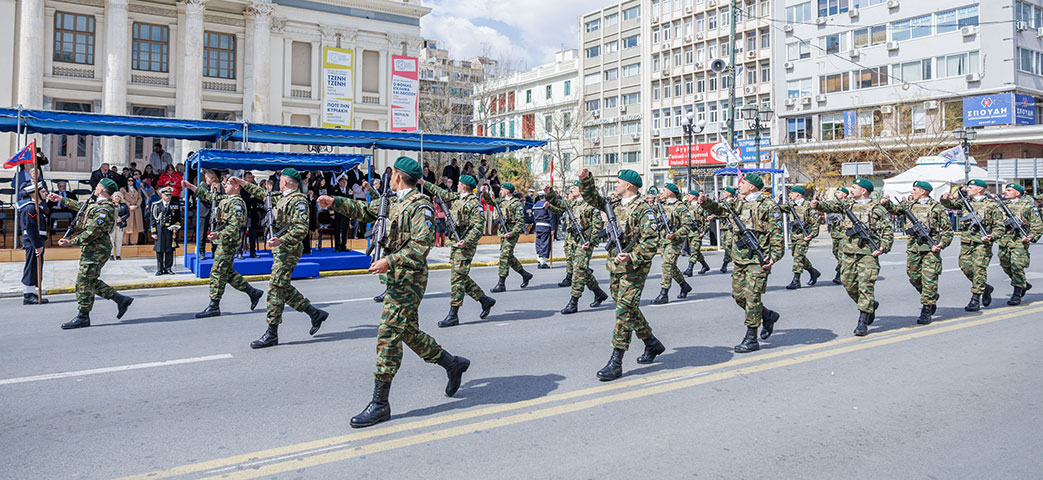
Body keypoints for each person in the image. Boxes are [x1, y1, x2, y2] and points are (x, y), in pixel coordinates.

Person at [317, 156, 471, 429]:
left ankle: (380, 403)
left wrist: (390, 260)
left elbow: (421, 246)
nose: (390, 178)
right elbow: (364, 210)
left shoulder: (420, 206)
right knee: (408, 332)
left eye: (392, 174)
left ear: (398, 176)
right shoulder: (392, 202)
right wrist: (334, 202)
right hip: (395, 278)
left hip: (409, 279)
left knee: (388, 334)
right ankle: (451, 364)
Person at [579, 168, 665, 381]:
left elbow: (651, 242)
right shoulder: (613, 204)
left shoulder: (644, 210)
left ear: (628, 185)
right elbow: (591, 197)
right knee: (627, 308)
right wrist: (586, 180)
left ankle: (616, 361)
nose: (615, 185)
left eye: (618, 182)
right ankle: (651, 343)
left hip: (634, 268)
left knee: (624, 312)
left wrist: (631, 256)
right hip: (616, 265)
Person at [236, 168, 330, 349]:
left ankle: (272, 333)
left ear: (286, 182)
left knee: (275, 288)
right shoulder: (282, 197)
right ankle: (314, 313)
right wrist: (241, 183)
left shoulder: (298, 200)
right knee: (282, 286)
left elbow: (301, 228)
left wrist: (281, 240)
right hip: (280, 249)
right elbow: (262, 193)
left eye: (280, 180)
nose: (278, 183)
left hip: (289, 249)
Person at [699, 174, 785, 352]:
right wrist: (706, 202)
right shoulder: (737, 202)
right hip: (739, 258)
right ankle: (767, 315)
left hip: (758, 259)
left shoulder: (768, 205)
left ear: (752, 186)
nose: (739, 185)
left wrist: (774, 256)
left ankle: (751, 338)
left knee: (752, 297)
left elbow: (777, 234)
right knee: (739, 296)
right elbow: (719, 210)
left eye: (743, 182)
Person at [49, 178, 135, 329]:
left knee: (83, 282)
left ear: (101, 190)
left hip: (97, 249)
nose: (95, 188)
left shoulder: (104, 209)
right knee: (89, 280)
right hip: (92, 248)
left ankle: (83, 316)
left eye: (97, 186)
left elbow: (93, 232)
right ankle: (120, 299)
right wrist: (61, 199)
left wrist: (71, 242)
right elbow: (82, 207)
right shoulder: (98, 205)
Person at [812, 178, 894, 336]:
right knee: (848, 283)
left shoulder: (877, 209)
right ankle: (870, 305)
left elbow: (887, 231)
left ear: (863, 191)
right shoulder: (847, 205)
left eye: (854, 187)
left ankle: (863, 321)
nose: (851, 190)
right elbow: (831, 206)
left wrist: (883, 247)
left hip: (868, 253)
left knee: (865, 286)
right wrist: (818, 205)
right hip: (848, 252)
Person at [420, 174, 496, 327]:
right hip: (456, 243)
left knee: (457, 279)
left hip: (465, 245)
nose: (458, 186)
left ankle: (453, 314)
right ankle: (484, 300)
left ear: (464, 186)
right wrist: (423, 182)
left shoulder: (473, 204)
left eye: (459, 184)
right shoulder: (457, 197)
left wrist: (466, 241)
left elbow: (478, 227)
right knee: (460, 276)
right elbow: (441, 193)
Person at [182, 177, 265, 318]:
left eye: (228, 183)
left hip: (229, 242)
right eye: (225, 183)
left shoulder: (237, 204)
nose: (225, 185)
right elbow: (206, 195)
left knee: (217, 271)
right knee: (226, 272)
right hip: (222, 240)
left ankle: (214, 305)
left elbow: (234, 227)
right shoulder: (225, 199)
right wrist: (190, 186)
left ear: (237, 187)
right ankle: (252, 292)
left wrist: (218, 234)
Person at [880, 181, 954, 325]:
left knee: (929, 279)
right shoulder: (909, 205)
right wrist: (886, 203)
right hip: (914, 248)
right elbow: (895, 210)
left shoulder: (936, 207)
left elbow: (947, 230)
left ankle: (926, 308)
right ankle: (930, 295)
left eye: (915, 190)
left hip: (930, 250)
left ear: (923, 191)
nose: (912, 192)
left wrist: (941, 244)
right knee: (913, 277)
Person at [545, 182, 608, 314]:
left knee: (579, 269)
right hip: (573, 241)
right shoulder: (572, 203)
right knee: (581, 269)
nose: (572, 189)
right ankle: (598, 293)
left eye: (575, 187)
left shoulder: (591, 205)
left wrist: (590, 241)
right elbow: (557, 203)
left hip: (585, 243)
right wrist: (549, 193)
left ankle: (574, 302)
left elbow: (597, 226)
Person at [939, 180, 1002, 311]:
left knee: (979, 268)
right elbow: (949, 204)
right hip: (967, 241)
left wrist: (992, 236)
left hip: (982, 242)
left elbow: (999, 226)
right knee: (965, 266)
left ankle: (975, 298)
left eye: (971, 187)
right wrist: (944, 198)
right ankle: (985, 287)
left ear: (980, 189)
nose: (967, 189)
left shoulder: (992, 205)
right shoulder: (964, 202)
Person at [990, 183, 1043, 305]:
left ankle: (1017, 293)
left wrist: (1031, 236)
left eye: (1009, 190)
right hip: (1004, 241)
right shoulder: (1001, 206)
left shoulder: (1027, 206)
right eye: (1006, 190)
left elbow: (1037, 224)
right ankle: (1023, 283)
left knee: (1017, 266)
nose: (1006, 192)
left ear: (1018, 193)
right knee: (1005, 265)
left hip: (1019, 240)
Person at [483, 181, 533, 292]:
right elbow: (489, 201)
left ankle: (501, 283)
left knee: (504, 256)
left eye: (502, 189)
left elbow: (520, 222)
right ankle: (525, 274)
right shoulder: (500, 202)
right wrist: (484, 193)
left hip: (511, 234)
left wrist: (512, 233)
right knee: (508, 257)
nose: (500, 191)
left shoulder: (516, 204)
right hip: (503, 233)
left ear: (507, 191)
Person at [651, 183, 693, 304]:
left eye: (664, 190)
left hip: (675, 242)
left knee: (667, 265)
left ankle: (664, 293)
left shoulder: (680, 207)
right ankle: (684, 286)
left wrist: (676, 234)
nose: (661, 192)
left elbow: (687, 226)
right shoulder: (662, 205)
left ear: (670, 193)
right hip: (663, 241)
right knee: (671, 267)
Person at [779, 186, 822, 290]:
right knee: (797, 256)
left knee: (798, 257)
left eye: (792, 193)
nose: (790, 195)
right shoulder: (791, 205)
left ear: (798, 194)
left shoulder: (808, 205)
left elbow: (816, 221)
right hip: (794, 235)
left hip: (804, 235)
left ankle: (796, 280)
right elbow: (778, 208)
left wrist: (812, 234)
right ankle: (813, 271)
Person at [19, 182, 49, 305]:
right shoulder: (30, 208)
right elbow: (31, 228)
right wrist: (37, 245)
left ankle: (32, 292)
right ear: (35, 194)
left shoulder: (37, 207)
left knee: (36, 266)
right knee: (32, 267)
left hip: (37, 241)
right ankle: (28, 295)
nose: (46, 193)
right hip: (33, 242)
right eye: (43, 192)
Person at [150, 187, 182, 275]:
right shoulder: (156, 205)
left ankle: (168, 268)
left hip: (170, 230)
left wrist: (176, 226)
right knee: (159, 250)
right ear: (161, 195)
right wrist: (153, 232)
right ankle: (159, 269)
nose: (168, 197)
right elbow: (153, 220)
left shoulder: (175, 205)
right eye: (166, 195)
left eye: (169, 195)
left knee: (169, 250)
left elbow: (178, 218)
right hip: (160, 229)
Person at [682, 189, 711, 276]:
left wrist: (704, 231)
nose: (687, 197)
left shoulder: (701, 207)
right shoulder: (686, 206)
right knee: (695, 251)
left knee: (694, 251)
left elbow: (707, 220)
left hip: (698, 232)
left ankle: (689, 269)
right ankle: (705, 265)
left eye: (689, 195)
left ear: (694, 197)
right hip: (689, 232)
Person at [825, 187, 850, 285]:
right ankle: (847, 269)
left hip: (844, 234)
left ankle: (839, 274)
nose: (837, 194)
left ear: (844, 194)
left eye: (839, 192)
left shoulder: (848, 204)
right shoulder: (834, 204)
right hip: (835, 233)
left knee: (841, 254)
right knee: (835, 252)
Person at [531, 191, 553, 268]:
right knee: (545, 243)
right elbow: (551, 216)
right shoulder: (546, 204)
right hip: (545, 225)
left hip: (538, 225)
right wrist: (553, 228)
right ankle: (542, 262)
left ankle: (539, 260)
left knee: (539, 243)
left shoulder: (535, 205)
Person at [717, 186, 736, 273]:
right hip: (724, 226)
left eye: (725, 192)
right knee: (725, 245)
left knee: (729, 245)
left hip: (730, 227)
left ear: (730, 193)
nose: (723, 193)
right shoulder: (724, 202)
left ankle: (725, 264)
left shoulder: (733, 202)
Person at [331, 175, 353, 251]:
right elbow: (331, 202)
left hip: (346, 212)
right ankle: (337, 246)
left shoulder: (349, 190)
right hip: (337, 212)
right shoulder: (335, 190)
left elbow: (351, 202)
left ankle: (344, 245)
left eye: (345, 182)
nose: (344, 183)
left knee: (345, 229)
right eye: (343, 182)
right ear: (339, 182)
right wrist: (332, 213)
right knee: (337, 230)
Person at [123, 175, 145, 245]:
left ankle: (134, 241)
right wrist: (129, 205)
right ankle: (125, 242)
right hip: (128, 209)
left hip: (136, 209)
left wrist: (137, 205)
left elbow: (140, 198)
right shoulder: (123, 189)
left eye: (132, 180)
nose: (130, 182)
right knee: (127, 226)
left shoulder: (137, 189)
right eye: (129, 180)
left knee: (136, 225)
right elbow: (122, 199)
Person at [110, 191, 129, 260]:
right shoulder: (110, 205)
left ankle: (118, 255)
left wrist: (121, 218)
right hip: (112, 225)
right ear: (113, 197)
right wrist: (114, 218)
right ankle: (111, 255)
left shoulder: (124, 205)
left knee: (119, 240)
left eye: (118, 196)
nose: (117, 197)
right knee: (111, 240)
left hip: (120, 225)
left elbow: (127, 213)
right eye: (116, 196)